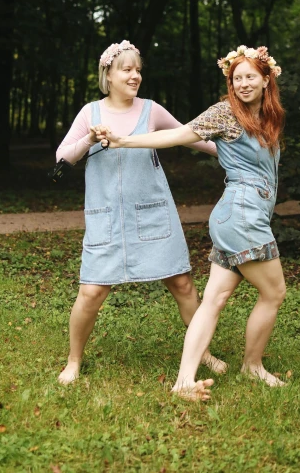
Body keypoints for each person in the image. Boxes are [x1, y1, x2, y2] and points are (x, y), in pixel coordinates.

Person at [96, 45, 287, 400]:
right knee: (274, 292)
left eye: (249, 77)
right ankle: (252, 366)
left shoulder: (268, 116)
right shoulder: (225, 114)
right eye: (236, 78)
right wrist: (124, 140)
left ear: (266, 79)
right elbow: (178, 135)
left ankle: (184, 381)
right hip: (242, 217)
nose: (243, 84)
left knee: (213, 298)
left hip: (239, 215)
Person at [56, 39, 226, 385]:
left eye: (138, 70)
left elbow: (196, 138)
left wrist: (240, 149)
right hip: (107, 219)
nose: (135, 76)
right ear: (109, 74)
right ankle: (74, 360)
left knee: (182, 283)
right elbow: (62, 158)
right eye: (127, 69)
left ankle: (203, 353)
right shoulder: (91, 112)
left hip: (153, 215)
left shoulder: (152, 110)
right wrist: (88, 139)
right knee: (91, 292)